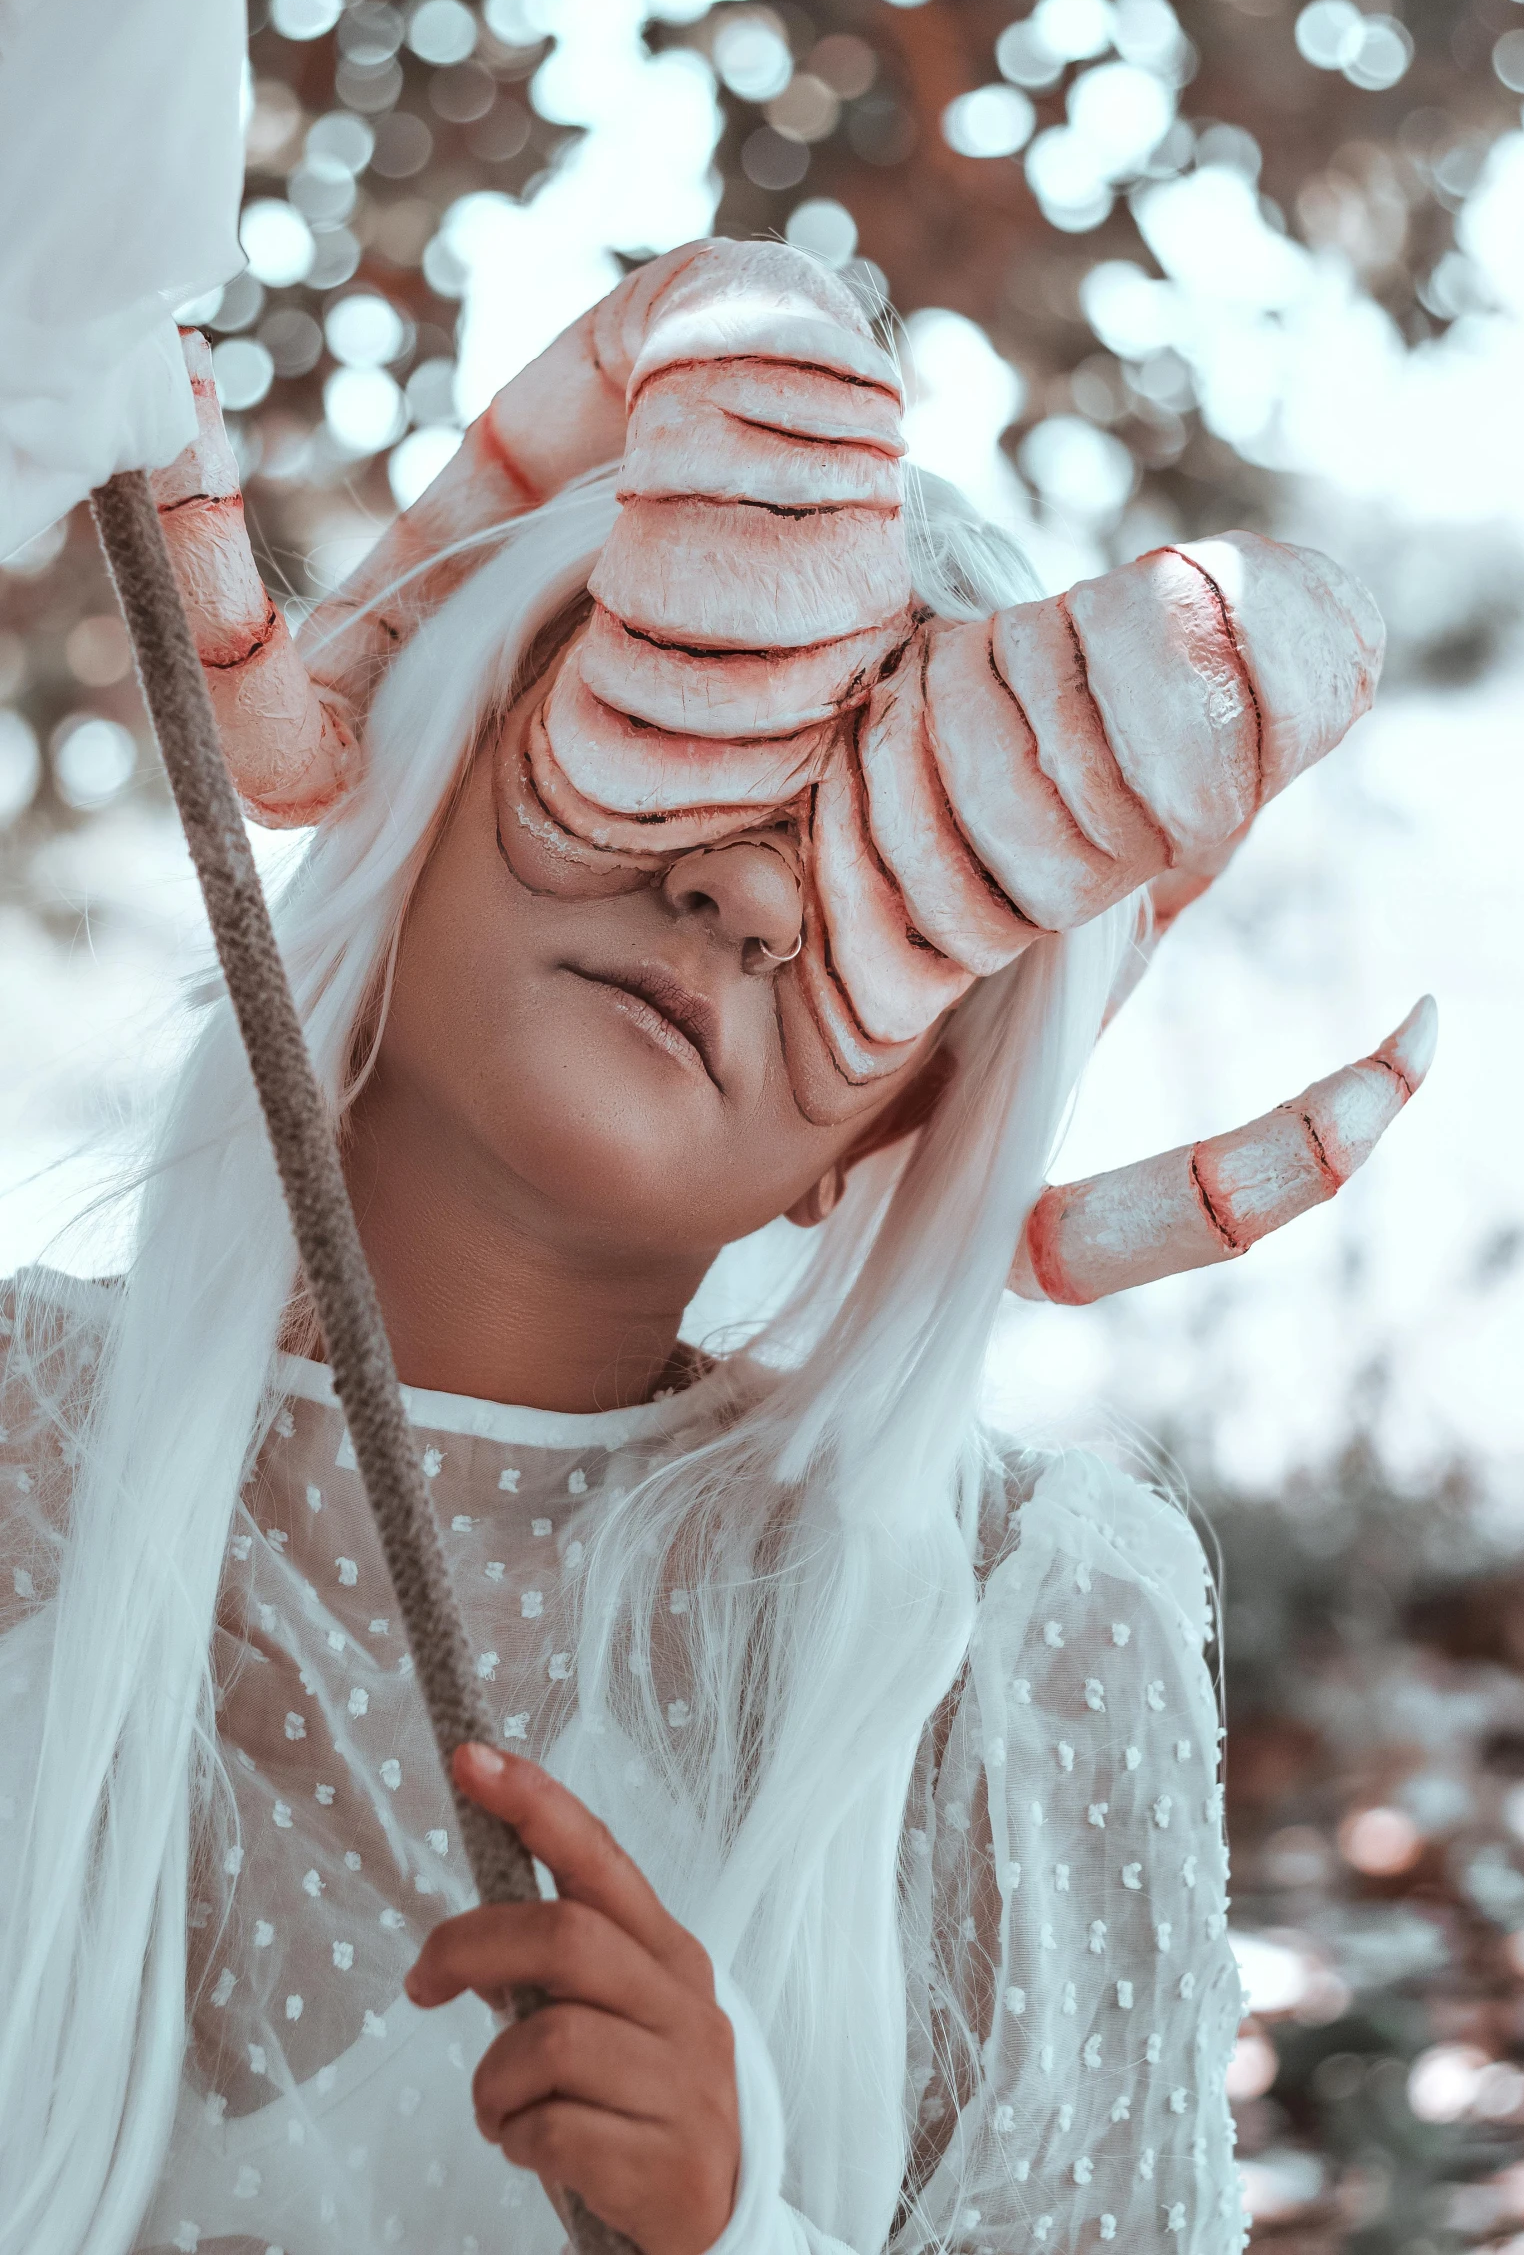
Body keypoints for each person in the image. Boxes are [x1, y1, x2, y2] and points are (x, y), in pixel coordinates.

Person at [0, 238, 1428, 2255]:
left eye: (903, 882)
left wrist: (735, 2223)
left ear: (916, 1116)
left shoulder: (1002, 1637)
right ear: (428, 748)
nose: (751, 887)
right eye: (685, 703)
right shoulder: (14, 1452)